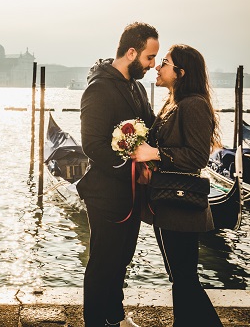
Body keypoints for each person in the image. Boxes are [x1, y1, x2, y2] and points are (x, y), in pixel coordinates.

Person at [131, 44, 223, 327]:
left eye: (165, 63)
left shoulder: (194, 104)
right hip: (168, 203)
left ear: (180, 73)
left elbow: (197, 156)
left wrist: (154, 154)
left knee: (184, 277)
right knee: (180, 277)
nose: (158, 67)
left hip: (181, 205)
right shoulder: (174, 103)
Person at [77, 22, 158, 326]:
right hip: (106, 192)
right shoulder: (98, 88)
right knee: (103, 263)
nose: (152, 65)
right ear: (132, 52)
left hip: (132, 192)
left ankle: (115, 316)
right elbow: (92, 145)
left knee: (123, 258)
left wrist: (150, 161)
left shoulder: (135, 86)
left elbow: (150, 127)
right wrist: (131, 168)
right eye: (149, 58)